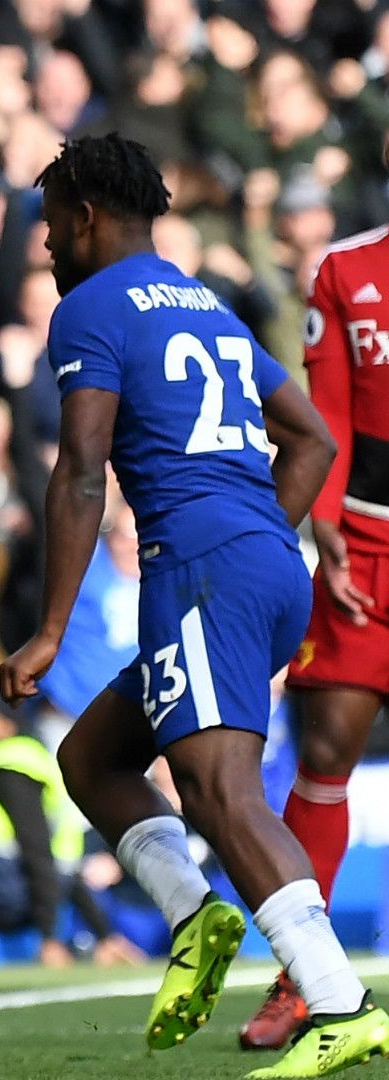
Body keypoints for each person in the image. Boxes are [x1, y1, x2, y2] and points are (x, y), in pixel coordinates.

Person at [0, 132, 389, 1078]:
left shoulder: (91, 308)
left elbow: (82, 472)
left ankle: (340, 1004)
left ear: (86, 218)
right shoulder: (202, 300)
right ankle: (196, 914)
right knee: (92, 757)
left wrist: (50, 628)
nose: (46, 247)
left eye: (51, 227)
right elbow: (310, 439)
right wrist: (261, 533)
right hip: (264, 565)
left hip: (202, 570)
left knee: (221, 790)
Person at [242, 165, 389, 1051]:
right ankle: (303, 976)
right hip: (365, 551)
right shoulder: (344, 270)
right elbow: (325, 413)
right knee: (325, 756)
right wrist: (324, 527)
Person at [0, 689, 143, 967]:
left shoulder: (8, 766)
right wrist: (104, 934)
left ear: (5, 726)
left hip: (6, 889)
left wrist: (49, 938)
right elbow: (63, 864)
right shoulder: (30, 759)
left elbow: (38, 850)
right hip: (26, 889)